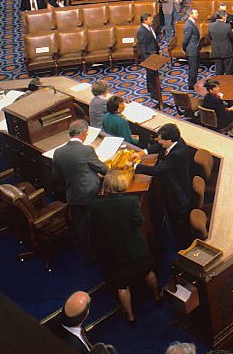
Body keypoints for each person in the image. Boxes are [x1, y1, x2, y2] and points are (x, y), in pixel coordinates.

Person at [88, 170, 160, 327]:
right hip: (136, 249)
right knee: (148, 271)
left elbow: (94, 231)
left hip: (115, 254)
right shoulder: (131, 201)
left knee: (122, 286)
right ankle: (157, 295)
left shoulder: (95, 207)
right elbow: (140, 222)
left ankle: (130, 317)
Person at [51, 119, 109, 262]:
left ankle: (90, 257)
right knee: (97, 224)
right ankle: (103, 252)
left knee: (81, 228)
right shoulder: (87, 150)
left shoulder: (58, 153)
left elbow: (56, 179)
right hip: (91, 195)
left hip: (73, 196)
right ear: (84, 134)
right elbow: (104, 170)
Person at [135, 123, 193, 249]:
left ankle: (183, 247)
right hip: (172, 187)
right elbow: (159, 147)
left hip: (177, 194)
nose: (158, 141)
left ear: (169, 140)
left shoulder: (178, 153)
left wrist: (135, 167)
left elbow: (158, 170)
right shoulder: (176, 141)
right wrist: (143, 153)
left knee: (178, 223)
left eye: (161, 139)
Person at [135, 13, 161, 101]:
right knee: (151, 74)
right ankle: (153, 93)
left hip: (154, 53)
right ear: (144, 21)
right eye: (150, 19)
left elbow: (153, 40)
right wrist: (146, 60)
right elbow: (142, 47)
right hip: (149, 56)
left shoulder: (150, 28)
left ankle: (151, 89)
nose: (152, 21)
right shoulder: (141, 31)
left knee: (152, 74)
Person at [181, 9, 201, 90]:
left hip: (194, 49)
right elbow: (186, 40)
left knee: (195, 68)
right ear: (190, 14)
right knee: (193, 69)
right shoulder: (189, 25)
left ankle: (193, 83)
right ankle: (191, 85)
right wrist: (184, 48)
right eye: (196, 13)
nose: (197, 14)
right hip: (192, 50)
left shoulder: (191, 22)